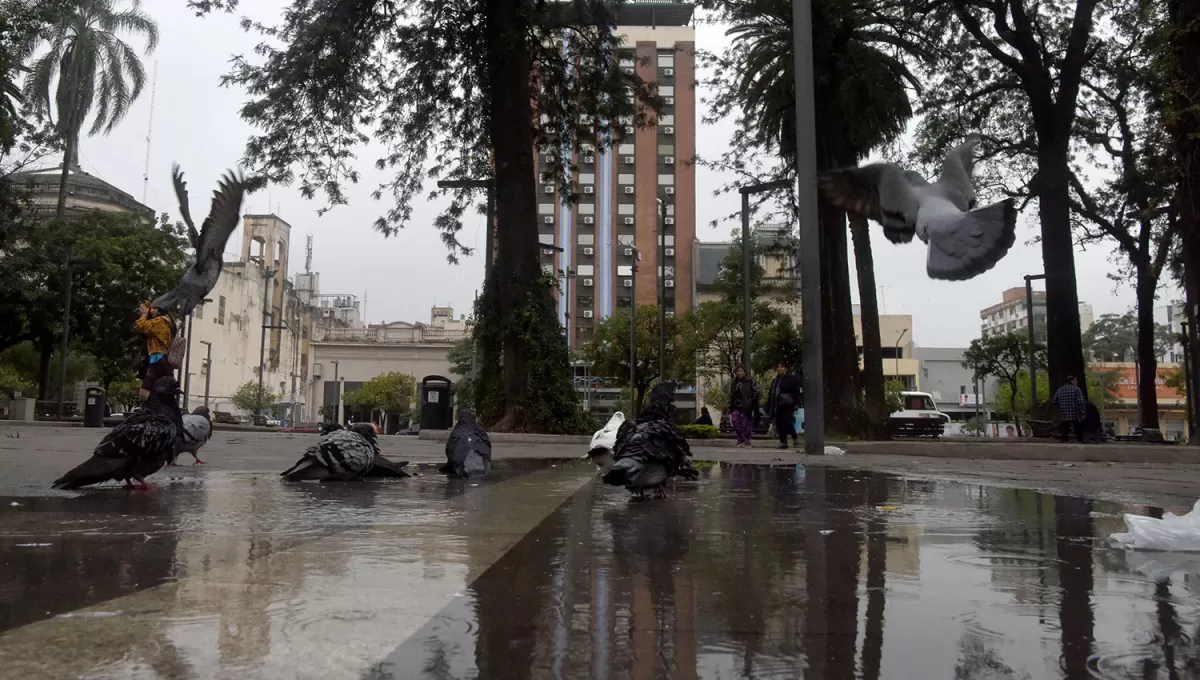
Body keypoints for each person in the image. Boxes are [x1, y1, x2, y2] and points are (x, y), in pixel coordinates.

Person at [134, 302, 175, 402]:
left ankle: (157, 407)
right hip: (162, 361)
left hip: (158, 360)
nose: (151, 311)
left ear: (160, 310)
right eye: (151, 308)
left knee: (144, 393)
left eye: (154, 308)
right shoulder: (164, 321)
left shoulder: (160, 321)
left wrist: (144, 313)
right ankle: (163, 408)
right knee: (161, 392)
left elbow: (140, 326)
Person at [766, 361, 802, 449]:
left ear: (785, 368)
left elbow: (795, 391)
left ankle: (795, 437)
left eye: (782, 367)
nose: (779, 369)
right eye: (778, 367)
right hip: (777, 405)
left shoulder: (790, 379)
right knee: (779, 423)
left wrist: (796, 402)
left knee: (787, 422)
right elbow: (772, 393)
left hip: (787, 404)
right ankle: (783, 441)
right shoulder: (775, 380)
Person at [728, 365, 759, 448]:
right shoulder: (734, 382)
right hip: (737, 405)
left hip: (747, 405)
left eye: (741, 371)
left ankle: (747, 440)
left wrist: (752, 404)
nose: (739, 373)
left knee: (746, 423)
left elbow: (755, 393)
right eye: (737, 371)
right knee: (734, 421)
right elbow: (732, 395)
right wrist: (730, 408)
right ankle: (741, 438)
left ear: (745, 372)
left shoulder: (750, 381)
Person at [1051, 375, 1085, 442]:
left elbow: (1054, 401)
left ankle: (1064, 441)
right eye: (1075, 380)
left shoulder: (1060, 390)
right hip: (1075, 413)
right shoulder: (1076, 389)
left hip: (1064, 413)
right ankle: (1080, 441)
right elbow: (1080, 402)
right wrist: (1082, 411)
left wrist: (1060, 407)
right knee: (1077, 429)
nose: (1076, 382)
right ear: (1071, 381)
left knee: (1065, 429)